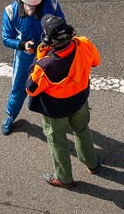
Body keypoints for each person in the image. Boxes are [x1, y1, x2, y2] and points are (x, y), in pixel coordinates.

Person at [26, 14, 101, 188]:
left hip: (56, 110)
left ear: (47, 39)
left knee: (57, 140)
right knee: (82, 130)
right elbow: (96, 61)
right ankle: (92, 163)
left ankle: (63, 178)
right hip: (80, 100)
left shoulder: (45, 65)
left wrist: (39, 56)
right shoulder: (84, 43)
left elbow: (31, 88)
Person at [1, 0, 66, 135]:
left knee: (56, 85)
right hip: (25, 57)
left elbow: (62, 24)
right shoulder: (10, 12)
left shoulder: (52, 3)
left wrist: (54, 39)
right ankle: (10, 115)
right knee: (19, 87)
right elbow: (6, 39)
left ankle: (61, 115)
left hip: (50, 53)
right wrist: (22, 45)